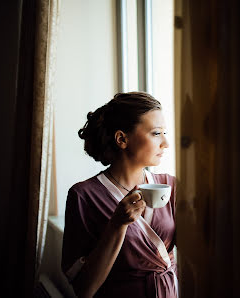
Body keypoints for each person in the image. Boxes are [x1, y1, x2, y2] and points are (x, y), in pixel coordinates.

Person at [61, 92, 178, 298]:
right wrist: (117, 225)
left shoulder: (169, 185)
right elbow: (84, 289)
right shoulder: (84, 196)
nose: (165, 144)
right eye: (156, 133)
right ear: (122, 139)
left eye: (164, 133)